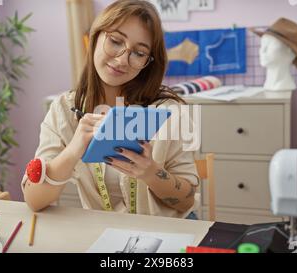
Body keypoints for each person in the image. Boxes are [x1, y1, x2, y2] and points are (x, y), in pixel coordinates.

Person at [20, 0, 200, 219]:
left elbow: (187, 202)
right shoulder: (64, 110)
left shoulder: (169, 111)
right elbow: (34, 201)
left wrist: (151, 172)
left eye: (139, 53)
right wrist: (75, 148)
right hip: (105, 236)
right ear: (95, 37)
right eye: (115, 41)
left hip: (168, 232)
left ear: (148, 62)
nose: (122, 59)